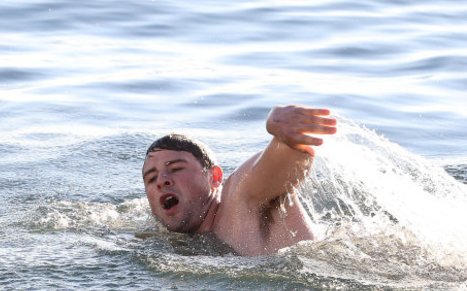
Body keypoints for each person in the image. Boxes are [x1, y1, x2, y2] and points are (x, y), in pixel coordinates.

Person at [142, 104, 337, 256]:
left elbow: (286, 164)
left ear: (215, 177)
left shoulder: (239, 198)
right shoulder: (164, 239)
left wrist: (283, 133)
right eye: (151, 179)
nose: (161, 180)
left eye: (176, 168)